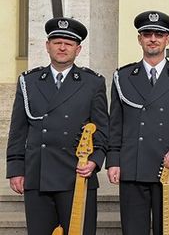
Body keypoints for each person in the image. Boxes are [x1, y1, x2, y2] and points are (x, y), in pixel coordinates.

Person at [6, 17, 109, 235]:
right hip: (38, 175)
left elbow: (102, 129)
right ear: (47, 46)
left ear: (78, 50)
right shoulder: (29, 81)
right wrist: (15, 169)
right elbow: (18, 131)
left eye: (68, 43)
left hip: (77, 174)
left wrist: (95, 160)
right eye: (57, 42)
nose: (62, 47)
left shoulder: (93, 83)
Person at [106, 11, 169, 235]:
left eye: (159, 35)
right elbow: (116, 124)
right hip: (133, 167)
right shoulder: (123, 77)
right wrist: (114, 160)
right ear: (140, 39)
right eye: (147, 34)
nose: (153, 39)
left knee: (168, 230)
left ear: (167, 39)